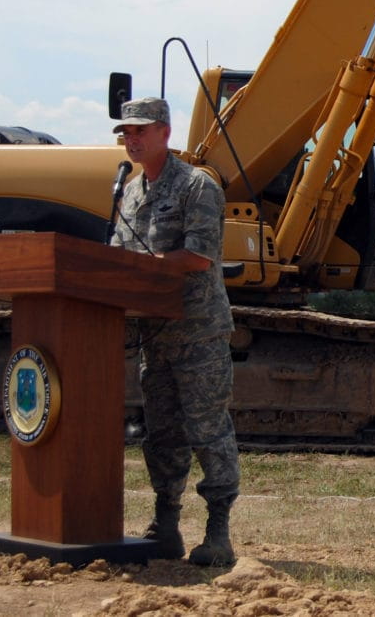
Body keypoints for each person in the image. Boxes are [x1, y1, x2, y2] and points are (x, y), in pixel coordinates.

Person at [109, 96, 239, 566]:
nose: (131, 139)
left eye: (140, 131)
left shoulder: (196, 187)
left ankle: (218, 532)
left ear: (165, 132)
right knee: (161, 435)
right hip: (154, 338)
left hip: (198, 332)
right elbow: (120, 257)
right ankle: (166, 526)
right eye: (126, 133)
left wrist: (140, 267)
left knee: (207, 430)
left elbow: (198, 257)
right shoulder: (130, 191)